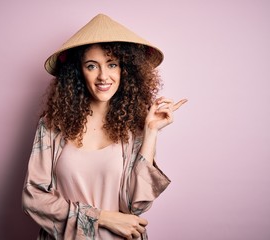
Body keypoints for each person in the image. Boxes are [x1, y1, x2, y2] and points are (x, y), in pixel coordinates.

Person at [22, 13, 187, 240]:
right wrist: (101, 217)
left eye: (112, 64)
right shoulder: (53, 126)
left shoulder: (134, 127)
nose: (103, 76)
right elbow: (33, 198)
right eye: (92, 66)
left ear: (125, 70)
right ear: (77, 72)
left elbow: (136, 206)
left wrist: (150, 133)